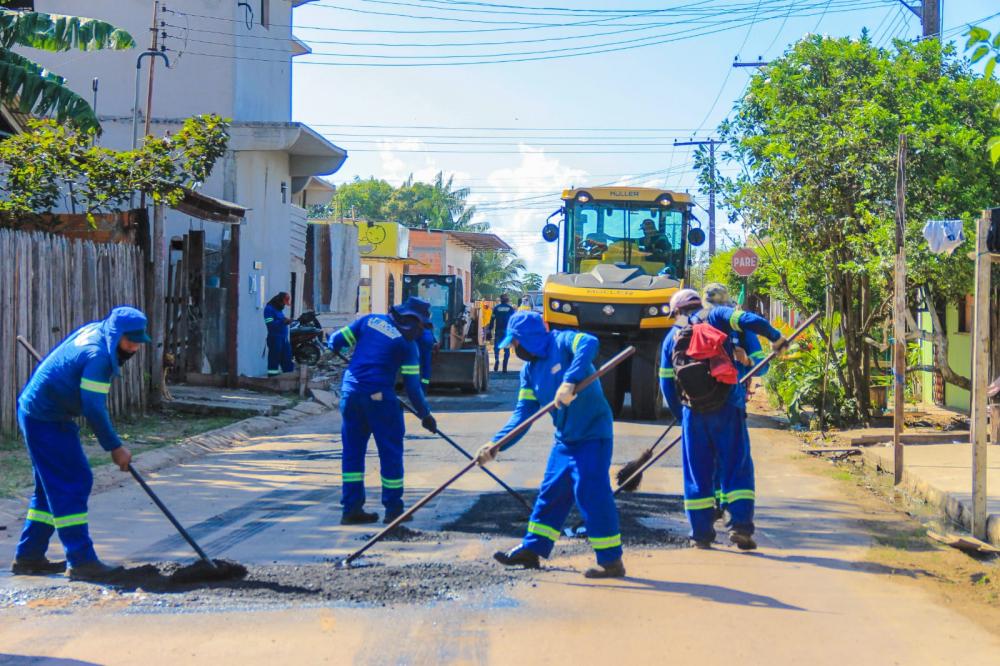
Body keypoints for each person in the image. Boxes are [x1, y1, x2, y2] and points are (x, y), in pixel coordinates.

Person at [475, 311, 625, 578]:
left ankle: (611, 561)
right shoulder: (529, 372)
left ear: (527, 339)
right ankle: (532, 549)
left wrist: (570, 381)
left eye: (515, 343)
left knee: (591, 494)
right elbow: (523, 414)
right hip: (565, 440)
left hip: (593, 435)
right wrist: (496, 444)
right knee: (551, 493)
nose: (514, 349)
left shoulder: (562, 341)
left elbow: (589, 343)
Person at [12, 306, 150, 581]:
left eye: (138, 342)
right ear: (116, 334)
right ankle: (81, 560)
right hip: (45, 418)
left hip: (46, 412)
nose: (134, 348)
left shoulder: (99, 332)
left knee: (50, 488)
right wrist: (115, 447)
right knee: (73, 482)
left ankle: (29, 556)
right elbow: (94, 408)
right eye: (129, 341)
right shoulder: (98, 356)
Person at [659, 289, 786, 551]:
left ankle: (701, 534)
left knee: (697, 473)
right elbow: (751, 320)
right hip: (728, 405)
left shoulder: (671, 336)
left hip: (693, 412)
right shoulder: (717, 316)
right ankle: (740, 526)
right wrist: (776, 337)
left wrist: (682, 414)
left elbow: (666, 384)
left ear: (676, 312)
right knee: (736, 466)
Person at [328, 297, 438, 525]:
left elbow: (335, 341)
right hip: (379, 398)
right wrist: (425, 415)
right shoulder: (407, 346)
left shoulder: (368, 321)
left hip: (351, 394)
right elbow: (413, 387)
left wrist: (333, 345)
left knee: (352, 453)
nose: (417, 330)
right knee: (390, 452)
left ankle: (351, 509)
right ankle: (394, 510)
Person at [702, 283, 770, 520]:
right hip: (711, 400)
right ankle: (720, 507)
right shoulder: (700, 323)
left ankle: (721, 506)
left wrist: (747, 360)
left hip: (725, 400)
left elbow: (763, 367)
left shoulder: (740, 329)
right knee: (717, 456)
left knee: (722, 455)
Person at [264, 292, 294, 377]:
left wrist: (287, 321)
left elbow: (281, 320)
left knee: (287, 358)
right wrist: (282, 321)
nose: (284, 305)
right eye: (283, 303)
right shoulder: (269, 309)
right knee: (274, 359)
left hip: (283, 338)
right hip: (275, 338)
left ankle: (289, 377)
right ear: (279, 300)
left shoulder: (279, 309)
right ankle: (272, 378)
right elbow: (270, 324)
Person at [487, 294, 515, 373]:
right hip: (507, 332)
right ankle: (504, 367)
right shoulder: (510, 308)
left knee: (497, 348)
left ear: (500, 300)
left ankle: (497, 360)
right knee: (506, 350)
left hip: (498, 330)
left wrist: (490, 329)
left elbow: (492, 319)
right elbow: (514, 320)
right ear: (507, 300)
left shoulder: (496, 308)